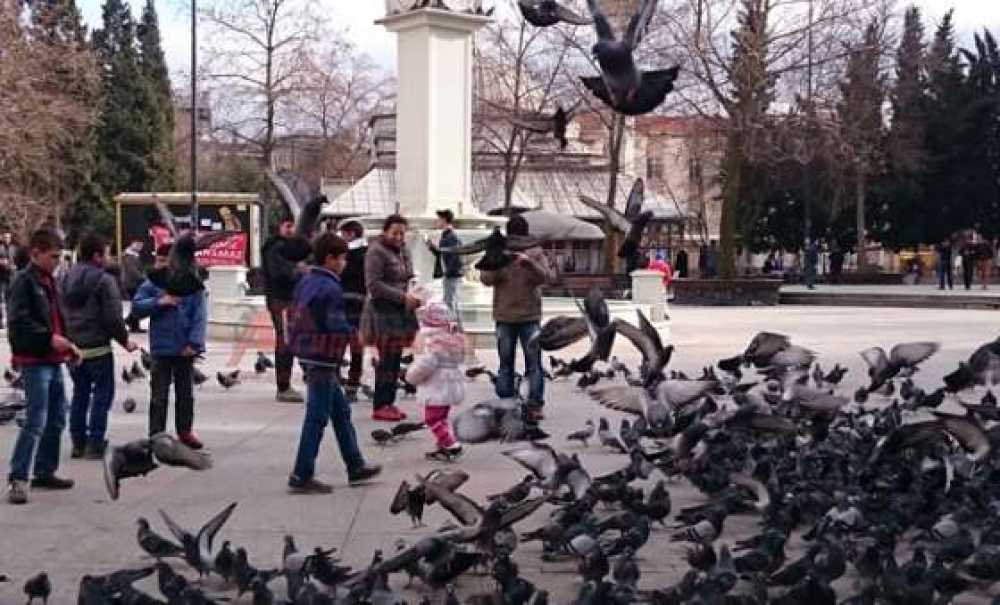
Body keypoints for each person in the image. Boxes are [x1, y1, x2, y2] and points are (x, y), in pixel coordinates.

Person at [285, 232, 382, 493]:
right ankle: (302, 473)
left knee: (340, 412)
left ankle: (355, 464)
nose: (345, 263)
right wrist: (354, 335)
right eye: (342, 258)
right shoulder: (330, 287)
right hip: (323, 356)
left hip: (308, 351)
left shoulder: (307, 281)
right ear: (330, 259)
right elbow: (334, 323)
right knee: (317, 416)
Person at [6, 228, 82, 505]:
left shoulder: (50, 280)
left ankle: (44, 470)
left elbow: (58, 320)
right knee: (35, 420)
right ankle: (18, 477)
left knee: (57, 417)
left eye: (59, 256)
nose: (57, 261)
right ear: (35, 253)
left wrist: (69, 346)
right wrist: (49, 339)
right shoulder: (23, 282)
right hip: (35, 360)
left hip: (52, 358)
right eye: (53, 256)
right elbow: (19, 323)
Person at [61, 233, 138, 460]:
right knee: (102, 395)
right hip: (98, 348)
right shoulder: (104, 281)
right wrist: (125, 341)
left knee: (80, 394)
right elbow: (113, 317)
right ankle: (95, 443)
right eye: (106, 253)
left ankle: (78, 442)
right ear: (96, 256)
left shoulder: (65, 278)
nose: (108, 257)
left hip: (73, 349)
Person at [131, 243, 208, 449]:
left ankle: (185, 431)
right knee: (159, 394)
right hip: (161, 347)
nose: (161, 265)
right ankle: (156, 434)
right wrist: (159, 302)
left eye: (166, 261)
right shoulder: (152, 284)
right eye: (159, 260)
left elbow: (200, 316)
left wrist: (194, 343)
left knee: (185, 394)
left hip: (185, 348)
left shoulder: (192, 285)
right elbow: (136, 307)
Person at [481, 215, 557, 420]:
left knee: (531, 363)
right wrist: (499, 264)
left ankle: (533, 403)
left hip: (528, 316)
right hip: (506, 316)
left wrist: (529, 263)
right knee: (510, 363)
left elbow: (547, 278)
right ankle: (510, 402)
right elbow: (486, 279)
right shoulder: (498, 251)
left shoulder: (535, 252)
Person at [364, 215, 421, 422]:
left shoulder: (403, 250)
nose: (398, 237)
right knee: (386, 359)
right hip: (383, 311)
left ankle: (389, 402)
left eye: (402, 233)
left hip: (401, 311)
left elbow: (408, 275)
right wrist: (403, 297)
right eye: (394, 233)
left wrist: (415, 287)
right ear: (385, 231)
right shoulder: (376, 251)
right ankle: (380, 404)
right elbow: (373, 285)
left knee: (396, 359)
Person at [405, 301, 465, 461]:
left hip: (436, 385)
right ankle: (442, 446)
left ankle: (451, 444)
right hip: (451, 384)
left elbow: (426, 364)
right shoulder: (452, 336)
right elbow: (460, 358)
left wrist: (411, 376)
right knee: (441, 418)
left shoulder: (430, 340)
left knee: (432, 419)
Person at [261, 218, 308, 403]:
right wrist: (298, 270)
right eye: (287, 226)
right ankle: (283, 386)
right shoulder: (274, 247)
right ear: (279, 227)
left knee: (293, 338)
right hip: (280, 299)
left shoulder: (291, 247)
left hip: (289, 298)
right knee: (285, 341)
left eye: (293, 226)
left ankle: (295, 379)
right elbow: (279, 273)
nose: (291, 230)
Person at [337, 220, 367, 399]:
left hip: (344, 301)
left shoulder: (344, 254)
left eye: (343, 234)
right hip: (360, 301)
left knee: (339, 343)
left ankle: (336, 380)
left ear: (351, 233)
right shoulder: (367, 252)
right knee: (357, 346)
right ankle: (353, 384)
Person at [429, 209, 463, 324]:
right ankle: (457, 328)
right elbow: (443, 253)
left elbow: (455, 255)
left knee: (449, 303)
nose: (437, 221)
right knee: (452, 303)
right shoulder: (447, 235)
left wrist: (449, 272)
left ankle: (452, 328)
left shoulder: (450, 236)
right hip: (450, 273)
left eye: (438, 219)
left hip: (451, 275)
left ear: (444, 220)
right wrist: (432, 247)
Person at [121, 239, 146, 333]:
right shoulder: (129, 256)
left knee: (136, 304)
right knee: (137, 304)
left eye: (141, 245)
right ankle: (131, 322)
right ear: (132, 244)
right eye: (138, 244)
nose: (140, 247)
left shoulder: (134, 255)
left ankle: (133, 323)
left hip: (134, 283)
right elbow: (133, 271)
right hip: (131, 284)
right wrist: (143, 278)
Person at [0, 231, 16, 330]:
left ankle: (10, 320)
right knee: (1, 300)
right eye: (5, 237)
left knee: (10, 299)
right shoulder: (0, 248)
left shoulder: (13, 249)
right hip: (1, 277)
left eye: (8, 237)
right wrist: (2, 262)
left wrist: (14, 266)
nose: (7, 239)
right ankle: (1, 321)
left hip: (11, 277)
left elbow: (16, 260)